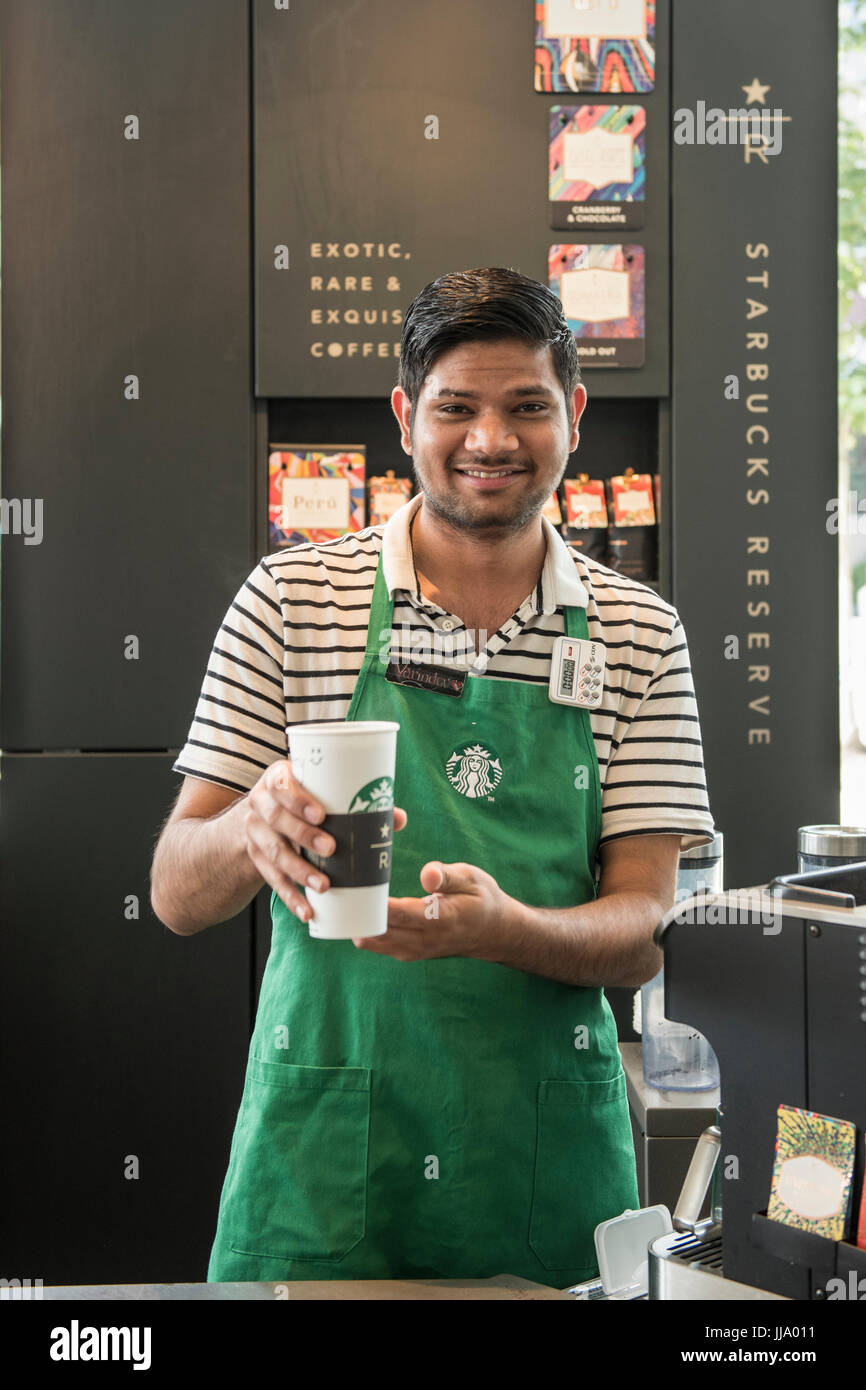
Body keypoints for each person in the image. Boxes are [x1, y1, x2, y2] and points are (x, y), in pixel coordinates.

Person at [150, 267, 715, 1287]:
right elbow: (175, 894)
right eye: (456, 407)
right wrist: (247, 829)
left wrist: (508, 931)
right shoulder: (291, 601)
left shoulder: (639, 632)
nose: (489, 439)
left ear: (573, 416)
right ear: (407, 416)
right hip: (324, 1145)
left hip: (542, 1155)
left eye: (526, 407)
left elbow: (642, 933)